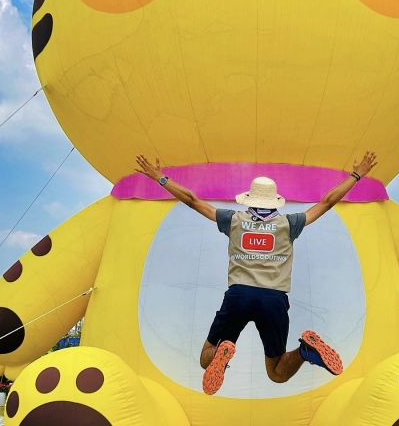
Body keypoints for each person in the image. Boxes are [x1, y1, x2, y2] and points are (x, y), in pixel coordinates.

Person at [135, 151, 377, 395]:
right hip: (274, 300)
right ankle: (306, 352)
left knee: (204, 359)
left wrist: (160, 178)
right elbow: (326, 202)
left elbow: (192, 200)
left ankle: (221, 352)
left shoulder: (234, 220)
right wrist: (356, 175)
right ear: (274, 202)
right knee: (276, 372)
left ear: (249, 200)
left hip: (239, 296)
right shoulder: (289, 223)